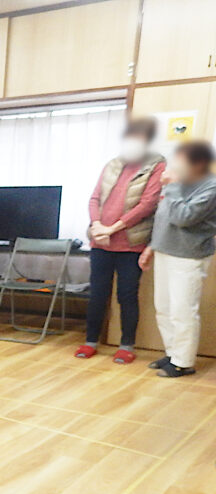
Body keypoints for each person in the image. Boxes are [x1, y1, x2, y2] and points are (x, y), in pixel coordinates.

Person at [77, 118, 166, 364]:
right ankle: (90, 341)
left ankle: (126, 345)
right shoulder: (113, 164)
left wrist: (112, 228)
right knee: (97, 293)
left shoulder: (157, 165)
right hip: (100, 242)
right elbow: (94, 198)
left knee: (126, 295)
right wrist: (96, 225)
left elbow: (147, 204)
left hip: (131, 244)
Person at [140, 140, 216, 378]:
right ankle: (173, 353)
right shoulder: (178, 183)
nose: (175, 165)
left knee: (183, 310)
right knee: (163, 308)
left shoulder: (211, 187)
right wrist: (151, 247)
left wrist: (171, 186)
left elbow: (184, 217)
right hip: (164, 251)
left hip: (188, 256)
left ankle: (183, 362)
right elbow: (164, 217)